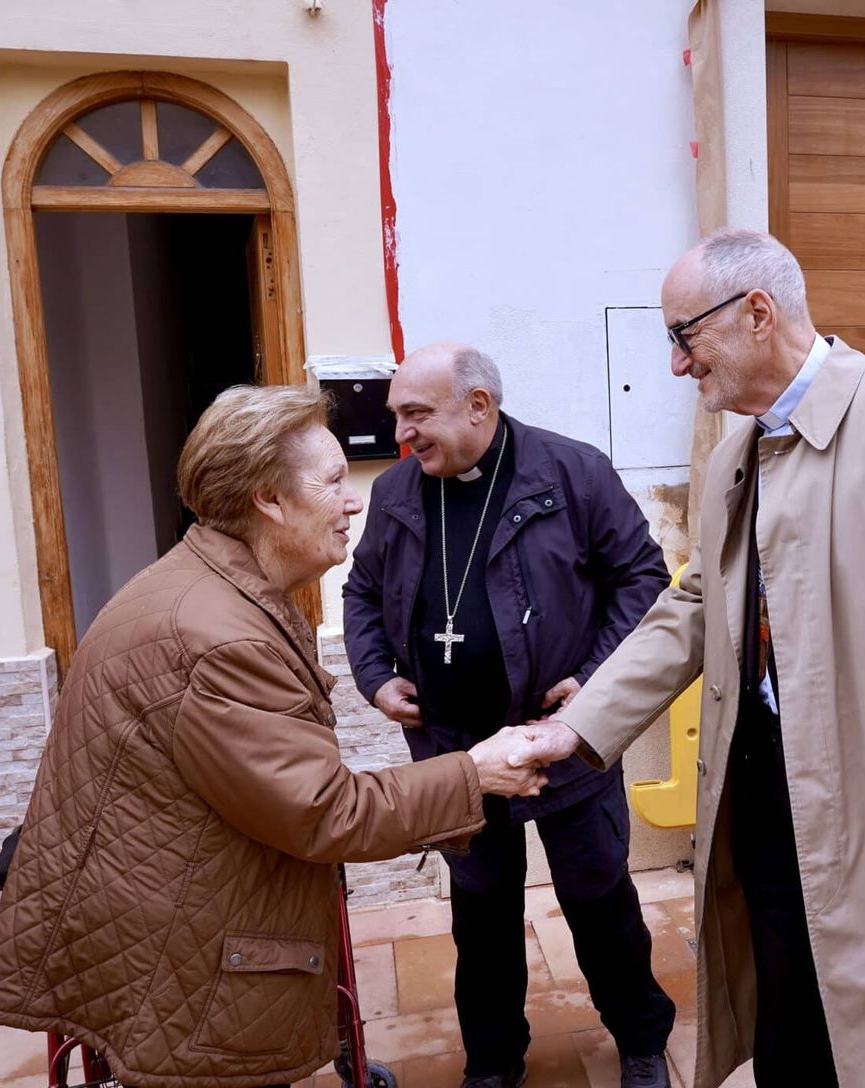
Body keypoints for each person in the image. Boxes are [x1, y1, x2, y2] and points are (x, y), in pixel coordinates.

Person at [516, 230, 865, 1088]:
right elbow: (698, 604)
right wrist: (580, 725)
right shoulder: (739, 450)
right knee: (792, 1018)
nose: (676, 366)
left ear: (756, 314)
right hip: (765, 791)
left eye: (682, 337)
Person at [0, 385, 545, 1088]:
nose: (354, 501)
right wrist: (476, 772)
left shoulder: (212, 588)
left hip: (153, 912)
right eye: (334, 481)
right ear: (269, 501)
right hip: (179, 951)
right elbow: (324, 811)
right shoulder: (217, 638)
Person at [341, 343, 677, 1088]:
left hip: (561, 746)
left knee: (599, 904)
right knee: (481, 916)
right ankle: (493, 1063)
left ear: (479, 407)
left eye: (417, 414)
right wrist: (374, 677)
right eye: (397, 415)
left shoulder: (571, 471)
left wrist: (592, 682)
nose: (403, 433)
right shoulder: (399, 492)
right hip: (457, 755)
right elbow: (361, 593)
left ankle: (642, 1039)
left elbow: (643, 577)